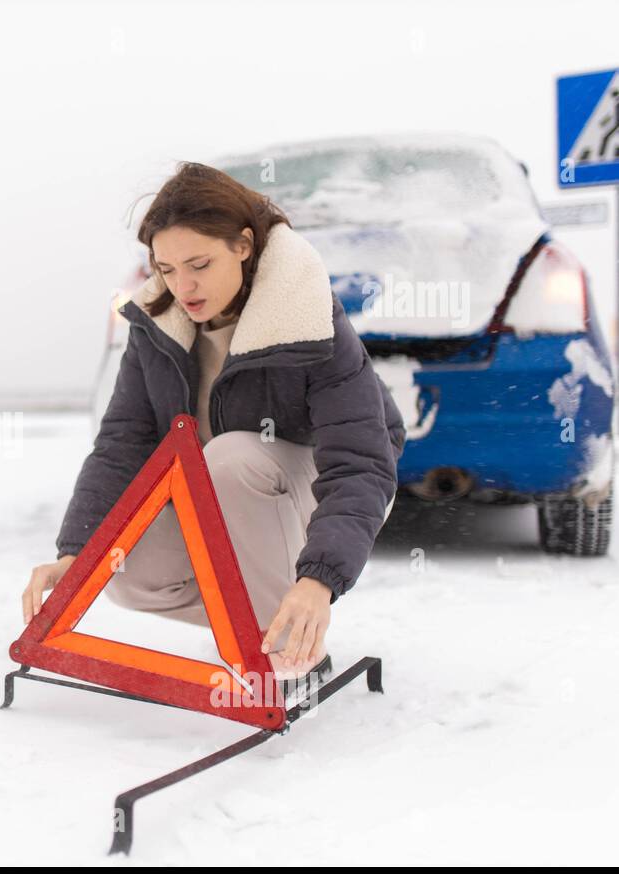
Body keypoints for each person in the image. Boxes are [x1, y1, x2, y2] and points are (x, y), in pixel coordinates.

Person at [21, 162, 406, 688]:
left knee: (232, 458)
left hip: (318, 484)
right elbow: (122, 444)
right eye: (167, 268)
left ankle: (293, 652)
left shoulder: (307, 314)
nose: (183, 285)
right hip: (227, 489)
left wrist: (319, 580)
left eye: (199, 264)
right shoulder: (156, 327)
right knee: (122, 569)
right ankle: (267, 627)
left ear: (243, 246)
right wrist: (74, 555)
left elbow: (361, 462)